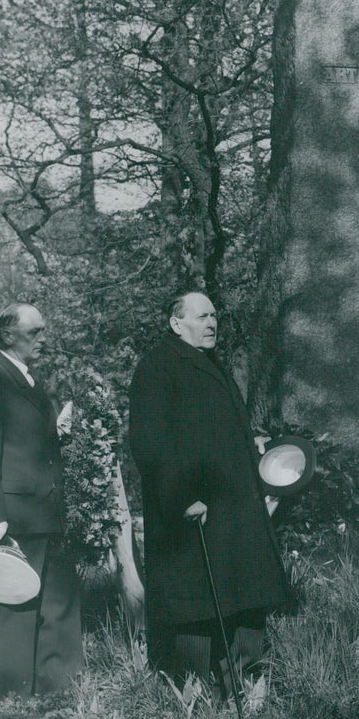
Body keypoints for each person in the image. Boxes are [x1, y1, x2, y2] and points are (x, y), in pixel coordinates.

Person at [128, 291, 290, 688]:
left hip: (233, 503)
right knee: (196, 602)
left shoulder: (212, 364)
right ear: (176, 323)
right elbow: (149, 443)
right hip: (192, 507)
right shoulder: (158, 367)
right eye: (202, 317)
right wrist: (182, 497)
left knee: (245, 588)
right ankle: (195, 686)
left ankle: (247, 677)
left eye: (214, 315)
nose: (212, 323)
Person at [0, 303, 83, 696]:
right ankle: (12, 700)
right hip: (14, 515)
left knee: (56, 604)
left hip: (46, 510)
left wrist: (56, 430)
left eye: (44, 330)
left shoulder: (30, 380)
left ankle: (58, 693)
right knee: (12, 606)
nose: (43, 339)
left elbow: (28, 443)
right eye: (34, 332)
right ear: (8, 336)